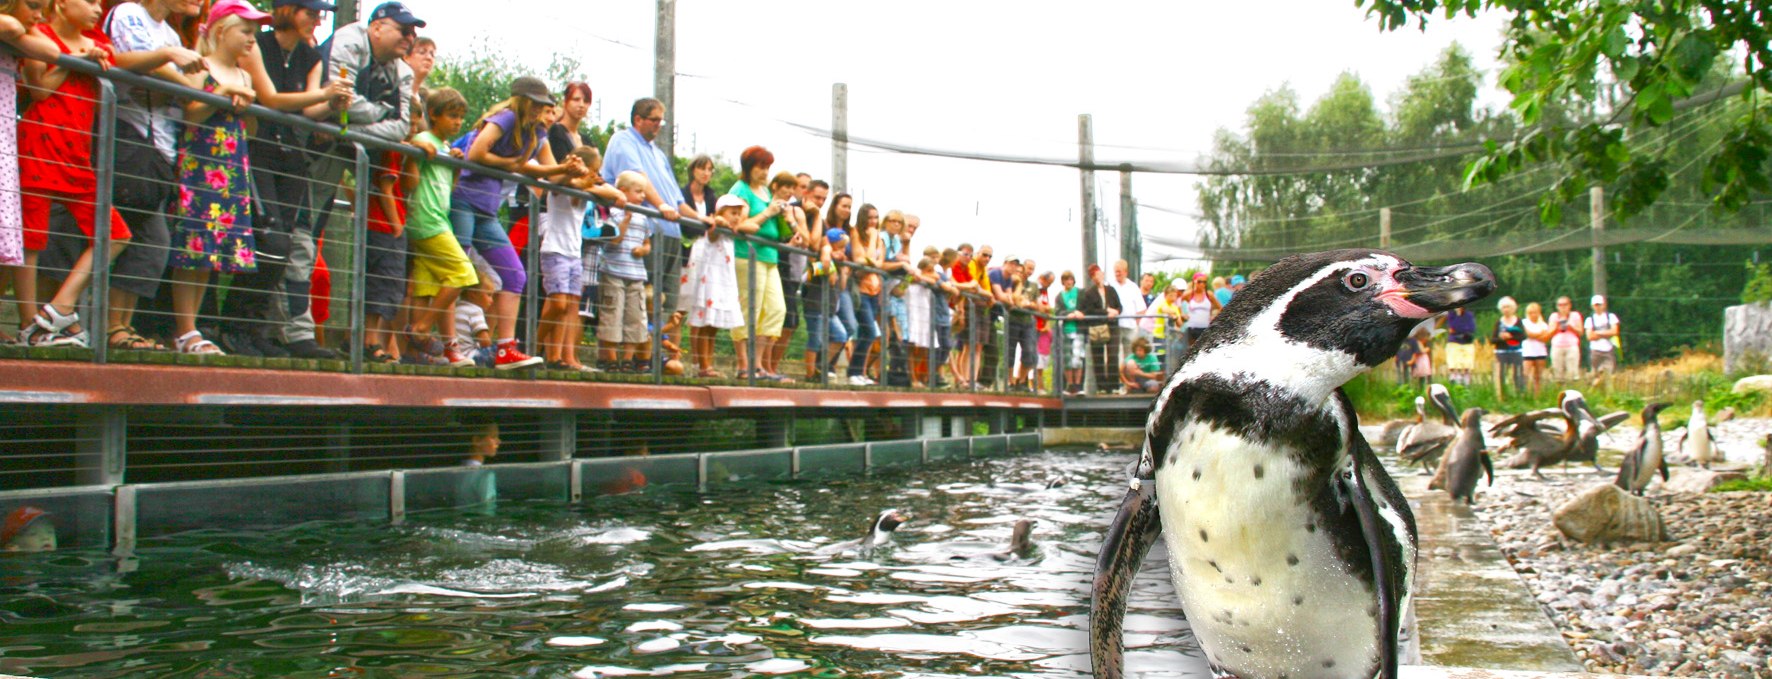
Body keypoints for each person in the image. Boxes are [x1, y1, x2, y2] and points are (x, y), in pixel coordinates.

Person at [206, 0, 351, 357]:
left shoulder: (311, 55)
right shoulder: (259, 43)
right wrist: (324, 94)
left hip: (292, 156)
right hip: (259, 150)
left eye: (320, 14)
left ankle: (255, 329)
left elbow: (309, 108)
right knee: (267, 237)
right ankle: (233, 325)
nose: (317, 19)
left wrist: (334, 103)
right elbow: (269, 98)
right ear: (287, 9)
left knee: (283, 244)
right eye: (310, 11)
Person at [284, 0, 423, 359]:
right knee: (294, 236)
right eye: (402, 29)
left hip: (334, 153)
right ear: (376, 26)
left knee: (307, 236)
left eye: (413, 32)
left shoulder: (402, 72)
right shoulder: (350, 39)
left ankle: (292, 331)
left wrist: (346, 128)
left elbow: (402, 127)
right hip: (302, 153)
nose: (409, 38)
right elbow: (339, 96)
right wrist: (375, 114)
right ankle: (289, 331)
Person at [15, 0, 131, 348]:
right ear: (62, 4)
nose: (97, 8)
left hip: (78, 155)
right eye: (89, 1)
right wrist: (77, 60)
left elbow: (121, 62)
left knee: (115, 233)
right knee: (31, 240)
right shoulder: (40, 33)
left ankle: (56, 310)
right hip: (40, 144)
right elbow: (39, 89)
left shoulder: (96, 40)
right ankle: (27, 324)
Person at [165, 1, 272, 355]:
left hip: (232, 168)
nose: (251, 40)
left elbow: (250, 130)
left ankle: (192, 326)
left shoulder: (244, 74)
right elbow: (190, 115)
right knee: (194, 244)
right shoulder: (202, 66)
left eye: (254, 33)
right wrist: (222, 95)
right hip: (201, 164)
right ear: (221, 31)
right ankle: (185, 327)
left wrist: (247, 108)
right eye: (245, 31)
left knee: (212, 250)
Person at [454, 75, 583, 370]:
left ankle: (505, 349)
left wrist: (569, 169)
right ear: (526, 102)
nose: (543, 111)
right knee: (456, 271)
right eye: (539, 105)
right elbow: (477, 152)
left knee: (515, 275)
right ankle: (449, 345)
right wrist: (516, 165)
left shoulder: (537, 133)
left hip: (487, 210)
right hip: (463, 198)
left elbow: (549, 175)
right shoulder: (506, 118)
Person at [602, 97, 701, 315]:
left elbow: (678, 200)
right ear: (638, 119)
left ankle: (661, 347)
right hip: (645, 229)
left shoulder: (658, 153)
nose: (658, 125)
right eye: (654, 120)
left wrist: (702, 220)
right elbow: (639, 179)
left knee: (668, 302)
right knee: (643, 299)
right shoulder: (623, 140)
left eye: (661, 121)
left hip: (671, 232)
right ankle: (639, 348)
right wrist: (662, 206)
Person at [400, 87, 477, 367]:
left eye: (460, 118)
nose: (457, 123)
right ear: (433, 115)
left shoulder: (445, 147)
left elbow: (449, 188)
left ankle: (415, 350)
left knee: (426, 285)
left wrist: (454, 166)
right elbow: (409, 183)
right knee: (463, 272)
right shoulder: (423, 139)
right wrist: (414, 154)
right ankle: (422, 328)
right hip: (426, 219)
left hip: (437, 217)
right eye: (452, 116)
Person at [540, 147, 621, 373]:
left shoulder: (587, 190)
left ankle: (560, 357)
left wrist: (593, 183)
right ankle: (536, 345)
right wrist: (585, 180)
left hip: (574, 252)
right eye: (594, 170)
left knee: (571, 307)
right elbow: (569, 184)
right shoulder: (562, 183)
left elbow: (617, 195)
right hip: (555, 249)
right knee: (558, 304)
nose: (596, 175)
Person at [680, 194, 748, 378]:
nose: (736, 217)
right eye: (732, 213)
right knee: (705, 325)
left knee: (713, 328)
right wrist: (719, 220)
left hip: (723, 283)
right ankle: (704, 366)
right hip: (711, 283)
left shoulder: (731, 234)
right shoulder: (715, 229)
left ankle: (707, 364)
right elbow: (713, 231)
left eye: (738, 214)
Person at [361, 137, 415, 363]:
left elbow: (409, 184)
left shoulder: (399, 150)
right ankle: (368, 342)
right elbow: (386, 186)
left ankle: (368, 341)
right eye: (410, 123)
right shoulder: (390, 150)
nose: (412, 130)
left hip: (385, 225)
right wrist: (397, 226)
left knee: (386, 286)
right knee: (381, 284)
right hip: (383, 226)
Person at [598, 172, 654, 373]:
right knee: (612, 314)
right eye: (638, 192)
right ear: (622, 191)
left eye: (643, 192)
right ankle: (611, 359)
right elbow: (612, 240)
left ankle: (628, 359)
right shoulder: (611, 213)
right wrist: (624, 222)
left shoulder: (644, 216)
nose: (642, 196)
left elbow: (647, 243)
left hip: (636, 274)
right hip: (613, 270)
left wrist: (643, 250)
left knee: (635, 317)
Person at [846, 203, 883, 385]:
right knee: (868, 330)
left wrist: (872, 261)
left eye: (876, 217)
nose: (873, 221)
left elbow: (879, 263)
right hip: (861, 289)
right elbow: (862, 260)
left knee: (868, 333)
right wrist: (874, 236)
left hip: (875, 290)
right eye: (869, 217)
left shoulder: (879, 240)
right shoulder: (856, 234)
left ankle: (860, 373)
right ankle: (853, 372)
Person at [1078, 263, 1122, 395]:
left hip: (1112, 326)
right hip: (1097, 326)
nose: (1097, 277)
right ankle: (1101, 386)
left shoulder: (1111, 290)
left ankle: (1114, 385)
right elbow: (1089, 310)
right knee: (1098, 356)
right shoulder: (1089, 293)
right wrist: (1106, 311)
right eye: (1094, 275)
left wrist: (1115, 312)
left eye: (1099, 273)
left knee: (1113, 355)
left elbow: (1119, 306)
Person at [1111, 261, 1147, 364]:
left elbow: (1141, 308)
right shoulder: (1110, 285)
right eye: (1115, 272)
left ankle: (1128, 378)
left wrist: (1137, 323)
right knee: (1115, 355)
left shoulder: (1133, 287)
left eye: (1119, 271)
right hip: (1115, 326)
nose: (1117, 274)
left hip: (1130, 327)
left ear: (1125, 272)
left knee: (1130, 355)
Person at [1055, 270, 1084, 395]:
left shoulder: (1080, 293)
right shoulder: (1059, 296)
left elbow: (1085, 307)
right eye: (1066, 280)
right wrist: (1069, 314)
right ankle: (1070, 384)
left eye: (1071, 279)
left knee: (1077, 358)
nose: (1069, 282)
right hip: (1066, 330)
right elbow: (1058, 312)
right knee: (1067, 359)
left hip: (1079, 330)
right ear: (1063, 282)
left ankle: (1078, 385)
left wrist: (1079, 313)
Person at [1492, 296, 1525, 394]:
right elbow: (1493, 339)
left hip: (1516, 351)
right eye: (1504, 307)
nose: (1506, 310)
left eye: (1508, 307)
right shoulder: (1498, 322)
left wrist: (1510, 337)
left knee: (1518, 374)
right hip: (1501, 352)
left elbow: (1523, 337)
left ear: (1513, 308)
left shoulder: (1518, 321)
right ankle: (1502, 395)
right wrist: (1501, 338)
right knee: (1501, 375)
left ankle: (1520, 394)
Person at [1150, 278, 1186, 366]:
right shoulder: (1162, 304)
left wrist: (1176, 317)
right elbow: (1164, 309)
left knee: (1168, 359)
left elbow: (1180, 323)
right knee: (1159, 358)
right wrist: (1173, 314)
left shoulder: (1175, 307)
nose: (1173, 298)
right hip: (1159, 336)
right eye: (1171, 295)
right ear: (1166, 295)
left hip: (1169, 338)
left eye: (1174, 296)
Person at [1547, 295, 1584, 381]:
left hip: (1571, 346)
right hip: (1557, 346)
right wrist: (1557, 327)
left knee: (1572, 372)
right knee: (1557, 373)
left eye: (1565, 305)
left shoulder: (1575, 315)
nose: (1563, 307)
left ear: (1569, 305)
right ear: (1557, 306)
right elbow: (1549, 333)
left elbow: (1581, 332)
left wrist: (1571, 327)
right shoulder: (1554, 316)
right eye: (1560, 305)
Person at [1180, 272, 1221, 347]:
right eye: (1199, 282)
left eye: (1204, 282)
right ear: (1194, 282)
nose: (1202, 284)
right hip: (1192, 328)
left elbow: (1220, 308)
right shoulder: (1188, 294)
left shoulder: (1209, 294)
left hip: (1206, 328)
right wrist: (1182, 314)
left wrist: (1214, 317)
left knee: (1204, 351)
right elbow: (1177, 303)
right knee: (1192, 352)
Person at [1585, 295, 1620, 376]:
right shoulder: (1589, 319)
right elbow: (1589, 336)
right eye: (1596, 305)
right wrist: (1607, 333)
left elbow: (1615, 331)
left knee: (1609, 374)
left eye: (1599, 304)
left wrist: (1598, 333)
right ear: (1592, 306)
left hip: (1608, 349)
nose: (1598, 307)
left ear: (1604, 305)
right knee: (1595, 374)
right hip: (1595, 350)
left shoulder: (1611, 316)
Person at [1521, 301, 1551, 393]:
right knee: (1525, 374)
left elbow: (1545, 338)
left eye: (1535, 312)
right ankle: (1524, 393)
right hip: (1527, 352)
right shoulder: (1524, 322)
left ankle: (1537, 394)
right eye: (1530, 313)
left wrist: (1537, 335)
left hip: (1540, 352)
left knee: (1538, 376)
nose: (1533, 315)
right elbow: (1528, 334)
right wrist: (1540, 334)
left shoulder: (1543, 324)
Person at [1443, 305, 1477, 385]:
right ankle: (1455, 377)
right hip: (1454, 341)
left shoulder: (1469, 315)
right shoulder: (1452, 315)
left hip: (1466, 341)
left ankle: (1466, 379)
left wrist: (1459, 330)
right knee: (1454, 360)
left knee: (1467, 362)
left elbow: (1472, 328)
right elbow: (1452, 327)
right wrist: (1458, 316)